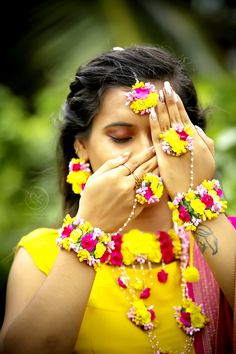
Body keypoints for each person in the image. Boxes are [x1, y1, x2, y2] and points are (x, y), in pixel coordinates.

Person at [0, 44, 235, 354]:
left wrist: (198, 200)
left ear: (197, 143)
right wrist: (89, 233)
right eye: (121, 137)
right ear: (81, 146)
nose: (143, 153)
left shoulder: (224, 239)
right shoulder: (41, 257)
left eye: (164, 135)